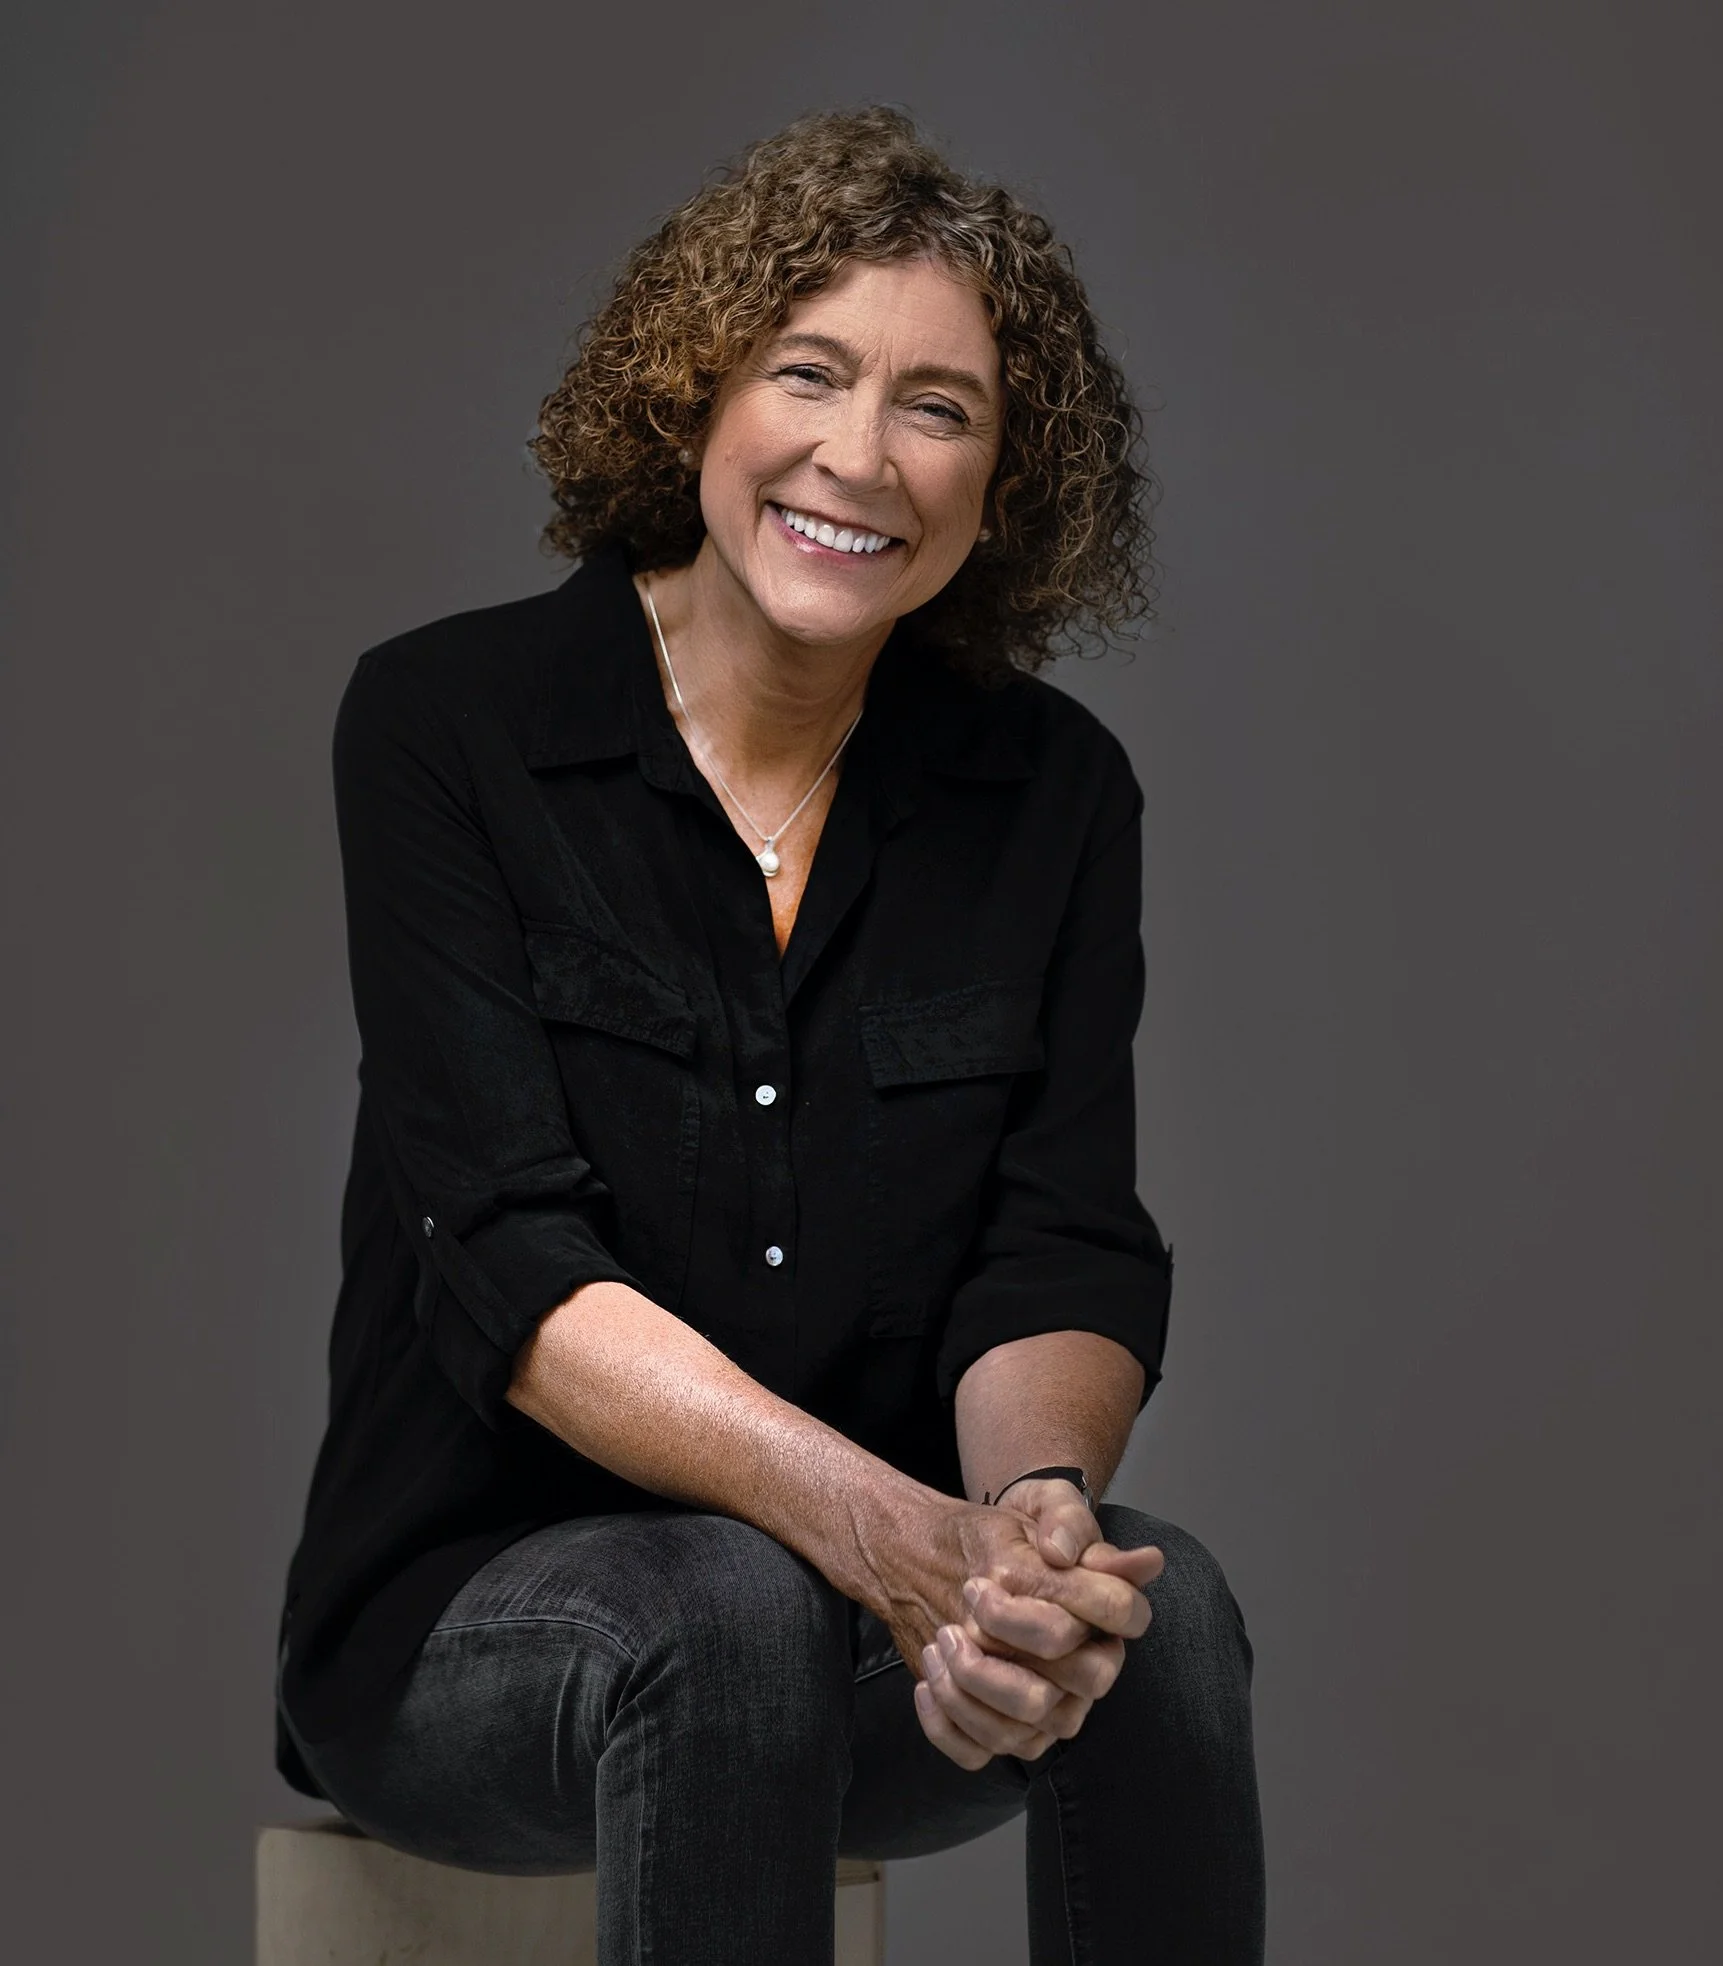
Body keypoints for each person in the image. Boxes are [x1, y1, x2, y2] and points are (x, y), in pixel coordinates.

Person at [274, 105, 1266, 1965]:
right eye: (805, 372)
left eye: (938, 407)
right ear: (694, 400)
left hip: (871, 1649)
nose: (858, 455)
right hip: (464, 1645)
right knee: (719, 1599)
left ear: (1002, 484)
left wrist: (1026, 1541)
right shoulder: (447, 725)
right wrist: (895, 1540)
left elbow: (1056, 1245)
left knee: (1165, 1610)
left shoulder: (1052, 794)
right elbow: (510, 1270)